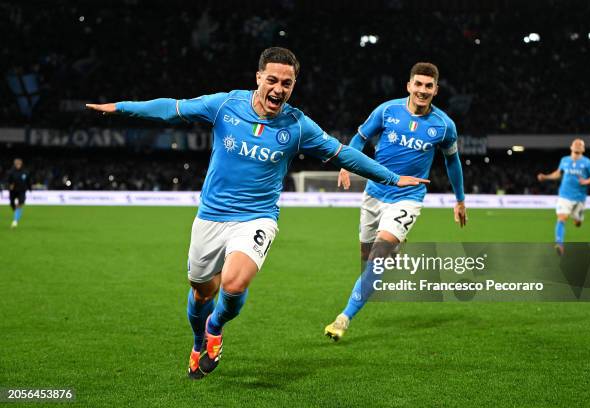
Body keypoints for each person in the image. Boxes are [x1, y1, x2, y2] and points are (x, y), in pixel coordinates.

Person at [86, 47, 429, 379]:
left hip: (258, 217)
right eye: (272, 80)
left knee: (235, 283)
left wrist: (391, 177)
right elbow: (171, 109)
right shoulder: (225, 105)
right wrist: (121, 108)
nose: (278, 89)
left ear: (293, 86)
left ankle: (215, 327)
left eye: (287, 83)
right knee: (202, 291)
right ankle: (197, 343)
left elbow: (342, 154)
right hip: (211, 216)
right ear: (258, 78)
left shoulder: (297, 126)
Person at [324, 62, 466, 341]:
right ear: (409, 86)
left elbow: (453, 162)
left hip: (408, 198)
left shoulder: (444, 126)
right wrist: (346, 163)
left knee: (378, 258)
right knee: (367, 260)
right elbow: (360, 138)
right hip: (375, 195)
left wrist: (460, 199)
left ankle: (344, 318)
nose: (422, 90)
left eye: (428, 86)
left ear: (436, 90)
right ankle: (394, 245)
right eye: (418, 84)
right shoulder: (387, 110)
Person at [537, 138, 590, 255]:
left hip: (579, 198)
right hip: (564, 196)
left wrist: (586, 181)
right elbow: (557, 174)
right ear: (571, 147)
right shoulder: (564, 160)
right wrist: (546, 177)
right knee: (561, 218)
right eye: (575, 144)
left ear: (583, 149)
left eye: (580, 144)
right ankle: (559, 244)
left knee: (577, 223)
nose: (577, 145)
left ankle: (578, 218)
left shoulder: (588, 163)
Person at [7, 158, 31, 229]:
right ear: (14, 164)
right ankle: (17, 213)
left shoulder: (25, 172)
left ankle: (15, 221)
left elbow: (28, 181)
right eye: (17, 164)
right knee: (12, 204)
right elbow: (8, 181)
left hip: (22, 191)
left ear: (21, 164)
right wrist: (9, 185)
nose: (18, 165)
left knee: (20, 204)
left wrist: (30, 188)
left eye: (19, 164)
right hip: (13, 191)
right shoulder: (11, 172)